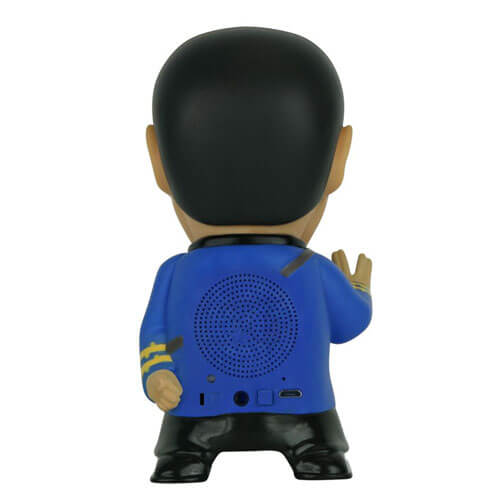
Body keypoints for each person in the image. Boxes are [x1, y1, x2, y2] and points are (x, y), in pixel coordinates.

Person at [140, 27, 372, 482]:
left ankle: (184, 455)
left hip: (193, 415)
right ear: (338, 161)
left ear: (159, 163)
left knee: (184, 451)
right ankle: (316, 450)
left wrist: (157, 377)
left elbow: (155, 338)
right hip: (303, 412)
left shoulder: (176, 273)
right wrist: (358, 289)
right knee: (318, 451)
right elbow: (350, 324)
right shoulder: (313, 270)